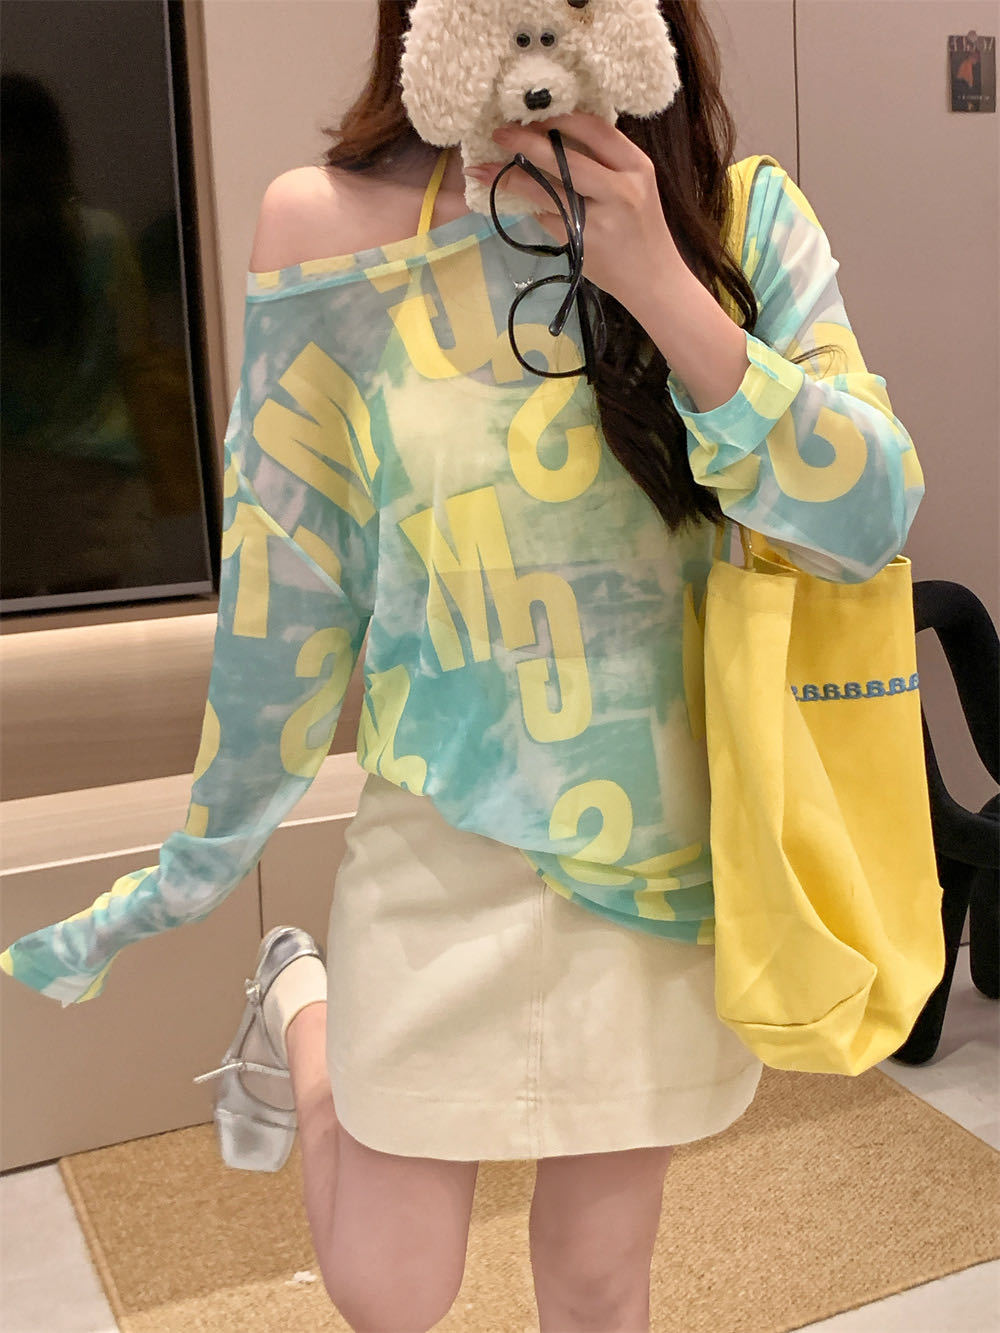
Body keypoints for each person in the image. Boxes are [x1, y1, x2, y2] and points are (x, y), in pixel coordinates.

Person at [0, 3, 925, 1331]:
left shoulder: (737, 217)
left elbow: (870, 515)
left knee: (598, 1275)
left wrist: (659, 281)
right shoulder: (324, 229)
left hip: (661, 857)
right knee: (391, 1287)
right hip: (439, 836)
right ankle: (305, 1006)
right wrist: (204, 849)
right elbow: (289, 571)